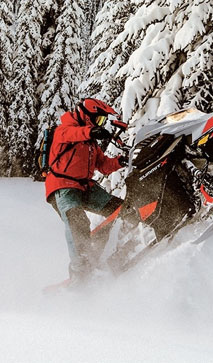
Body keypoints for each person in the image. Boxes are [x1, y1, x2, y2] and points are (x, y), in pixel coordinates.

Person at [44, 98, 128, 286]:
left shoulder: (90, 143)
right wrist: (91, 131)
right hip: (62, 187)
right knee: (77, 221)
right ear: (86, 115)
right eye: (98, 120)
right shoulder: (63, 131)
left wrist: (120, 161)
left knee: (120, 209)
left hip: (85, 187)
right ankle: (79, 271)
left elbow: (103, 165)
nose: (100, 124)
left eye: (101, 122)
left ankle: (103, 247)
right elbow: (73, 134)